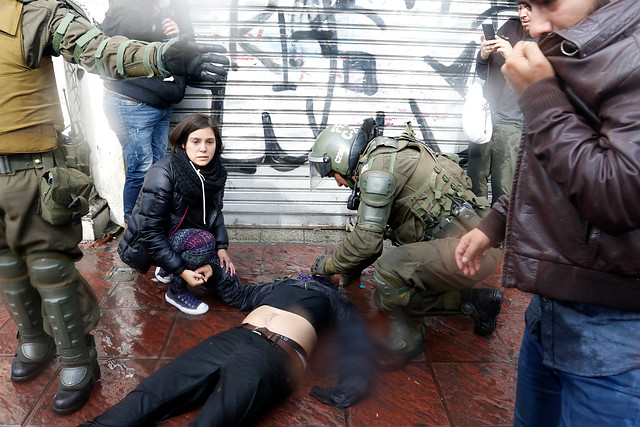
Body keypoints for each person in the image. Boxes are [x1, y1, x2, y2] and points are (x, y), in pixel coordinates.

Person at [0, 0, 227, 414]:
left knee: (50, 268)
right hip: (135, 103)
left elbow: (97, 47)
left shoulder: (30, 13)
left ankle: (76, 358)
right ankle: (34, 337)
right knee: (8, 268)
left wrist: (162, 52)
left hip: (30, 167)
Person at [455, 0, 640, 424]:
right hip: (552, 310)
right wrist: (496, 222)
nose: (534, 26)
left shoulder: (630, 54)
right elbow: (550, 166)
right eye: (526, 4)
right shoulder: (574, 45)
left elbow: (621, 195)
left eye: (548, 4)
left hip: (616, 334)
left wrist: (539, 96)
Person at [308, 119, 504, 370]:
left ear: (340, 159)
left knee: (391, 271)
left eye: (333, 175)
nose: (337, 182)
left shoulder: (377, 173)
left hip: (474, 251)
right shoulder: (382, 157)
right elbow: (370, 238)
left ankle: (409, 341)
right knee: (385, 299)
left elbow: (366, 244)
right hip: (470, 244)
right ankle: (479, 302)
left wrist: (328, 265)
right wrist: (349, 268)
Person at [81, 271, 375, 426]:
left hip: (275, 355)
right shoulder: (279, 286)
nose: (322, 275)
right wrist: (211, 268)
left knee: (215, 420)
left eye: (332, 274)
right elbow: (237, 293)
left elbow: (356, 341)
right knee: (154, 391)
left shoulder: (337, 302)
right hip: (231, 339)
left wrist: (354, 381)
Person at [118, 113, 235, 315]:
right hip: (152, 243)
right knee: (203, 242)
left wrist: (222, 247)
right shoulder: (163, 173)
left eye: (210, 142)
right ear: (182, 143)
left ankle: (167, 269)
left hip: (182, 234)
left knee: (229, 280)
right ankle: (176, 291)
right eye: (195, 141)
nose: (203, 149)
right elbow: (150, 233)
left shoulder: (215, 172)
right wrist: (182, 271)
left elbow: (216, 212)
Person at [101, 0, 193, 221]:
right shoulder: (123, 11)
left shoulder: (162, 9)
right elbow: (124, 42)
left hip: (160, 101)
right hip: (131, 103)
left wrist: (176, 30)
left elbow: (182, 45)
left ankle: (151, 223)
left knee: (157, 168)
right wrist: (159, 25)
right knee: (140, 169)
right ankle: (133, 229)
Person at [467, 2, 533, 204]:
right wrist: (484, 55)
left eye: (529, 7)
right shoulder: (509, 27)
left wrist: (512, 56)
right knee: (473, 185)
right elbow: (483, 72)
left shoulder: (550, 40)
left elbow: (541, 87)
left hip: (514, 125)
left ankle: (501, 235)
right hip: (485, 120)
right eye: (520, 6)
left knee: (504, 192)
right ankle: (473, 230)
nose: (522, 13)